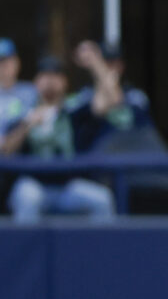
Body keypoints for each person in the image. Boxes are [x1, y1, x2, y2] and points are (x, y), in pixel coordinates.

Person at [2, 55, 114, 221]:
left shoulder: (73, 110)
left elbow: (108, 102)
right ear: (36, 82)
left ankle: (103, 248)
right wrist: (27, 125)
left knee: (102, 199)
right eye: (45, 75)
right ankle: (26, 248)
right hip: (34, 184)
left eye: (55, 76)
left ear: (64, 82)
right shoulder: (22, 111)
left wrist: (97, 64)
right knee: (27, 198)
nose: (50, 81)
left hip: (67, 185)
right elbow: (5, 151)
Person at [0, 38, 37, 148]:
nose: (4, 66)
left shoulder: (31, 91)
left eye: (8, 60)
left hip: (26, 158)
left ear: (17, 62)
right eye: (1, 61)